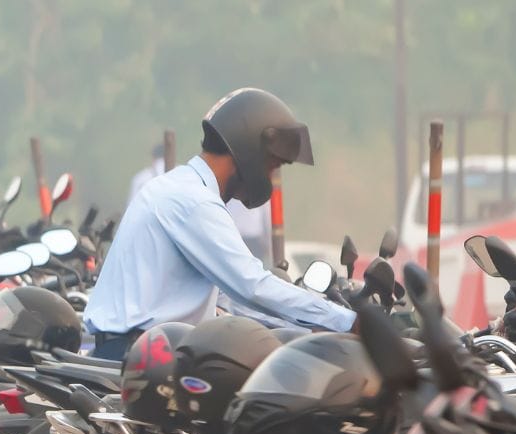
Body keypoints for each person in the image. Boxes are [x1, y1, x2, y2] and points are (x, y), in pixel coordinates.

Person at [85, 88, 354, 361]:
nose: (271, 177)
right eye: (272, 166)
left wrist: (304, 324)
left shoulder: (181, 186)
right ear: (249, 151)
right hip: (138, 355)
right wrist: (348, 322)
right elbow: (253, 286)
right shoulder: (194, 202)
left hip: (137, 348)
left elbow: (230, 298)